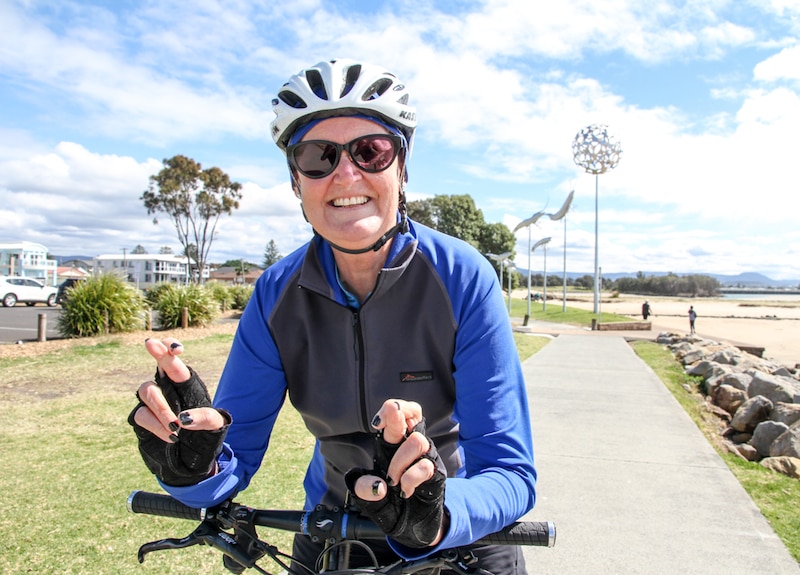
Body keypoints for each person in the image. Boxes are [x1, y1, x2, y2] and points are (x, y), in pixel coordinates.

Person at [129, 59, 536, 574]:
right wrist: (192, 467)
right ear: (297, 182)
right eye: (318, 156)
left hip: (457, 526)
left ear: (400, 170)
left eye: (371, 151)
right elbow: (234, 455)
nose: (346, 173)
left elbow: (509, 470)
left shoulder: (462, 278)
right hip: (333, 530)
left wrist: (437, 514)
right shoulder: (275, 295)